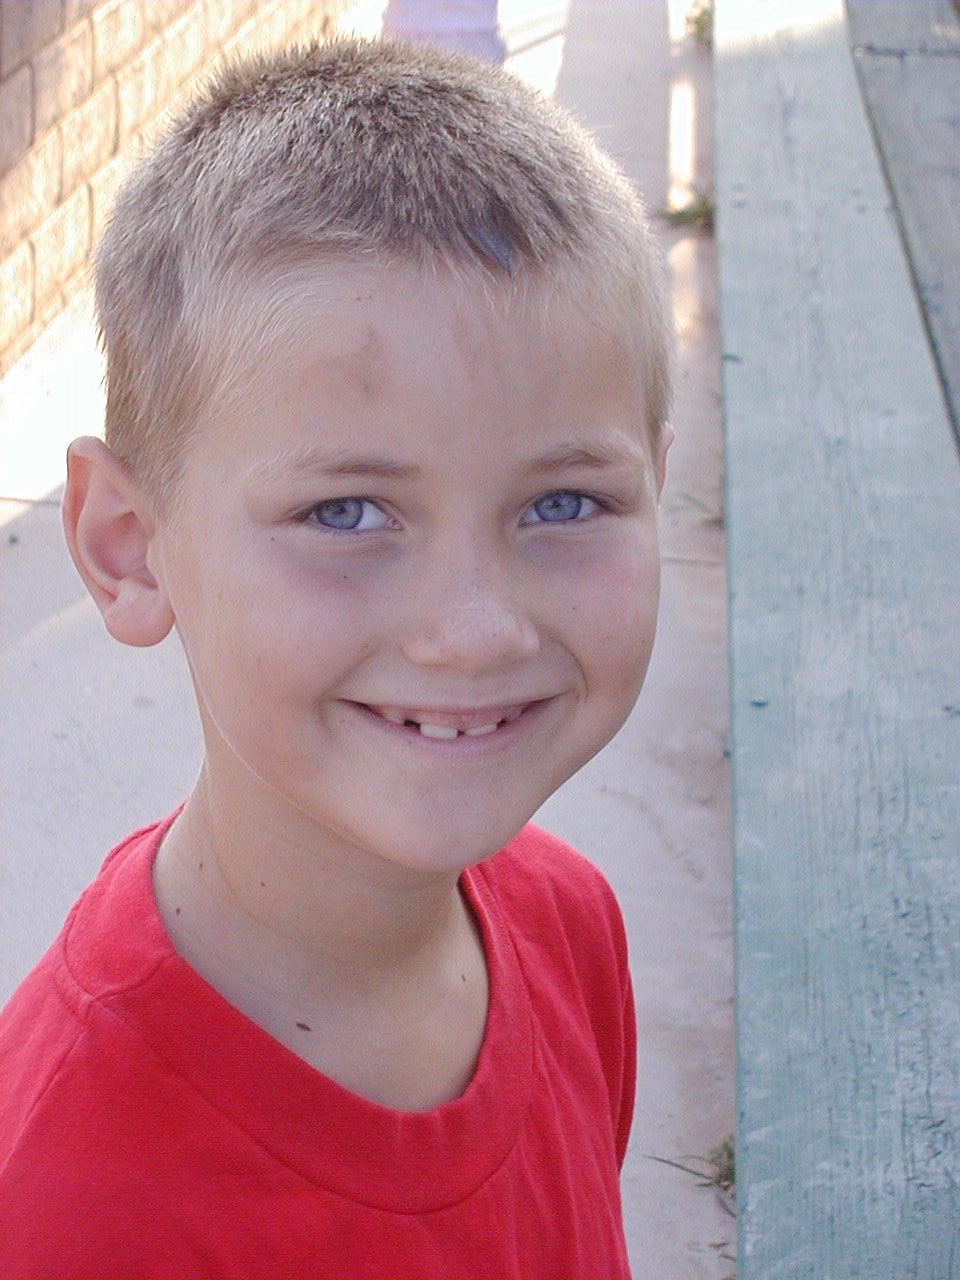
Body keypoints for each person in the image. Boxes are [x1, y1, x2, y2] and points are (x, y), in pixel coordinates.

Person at [0, 36, 672, 1277]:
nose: (475, 629)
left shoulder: (570, 926)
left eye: (564, 502)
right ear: (128, 545)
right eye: (347, 512)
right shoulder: (67, 1203)